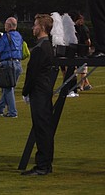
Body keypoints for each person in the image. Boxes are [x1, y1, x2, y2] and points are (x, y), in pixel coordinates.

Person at [21, 13, 58, 176]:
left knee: (42, 129)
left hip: (39, 93)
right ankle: (45, 164)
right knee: (45, 129)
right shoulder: (47, 45)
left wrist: (25, 91)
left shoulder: (40, 48)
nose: (33, 28)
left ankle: (43, 165)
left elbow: (32, 74)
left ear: (42, 27)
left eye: (35, 25)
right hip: (44, 91)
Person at [0, 17, 23, 118]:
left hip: (8, 64)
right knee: (8, 88)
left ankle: (12, 112)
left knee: (7, 88)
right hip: (18, 63)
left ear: (9, 25)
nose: (4, 26)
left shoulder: (6, 36)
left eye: (6, 24)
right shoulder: (19, 36)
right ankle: (0, 108)